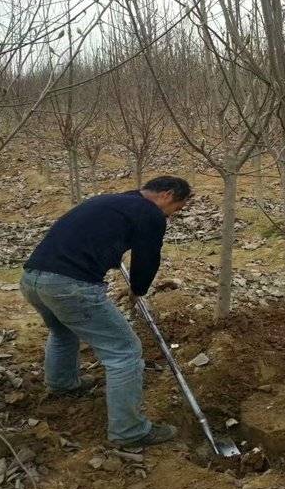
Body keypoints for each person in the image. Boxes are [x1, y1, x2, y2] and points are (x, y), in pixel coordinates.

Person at [20, 175, 192, 449]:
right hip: (69, 286)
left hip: (32, 279)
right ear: (168, 195)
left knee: (62, 331)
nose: (172, 215)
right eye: (177, 208)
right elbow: (147, 257)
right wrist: (138, 289)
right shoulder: (151, 213)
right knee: (125, 351)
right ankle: (129, 431)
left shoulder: (114, 201)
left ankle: (62, 384)